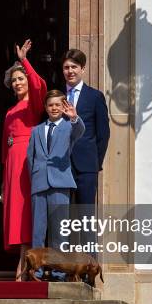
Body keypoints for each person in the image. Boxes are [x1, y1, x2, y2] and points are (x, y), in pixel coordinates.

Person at [1, 39, 47, 281]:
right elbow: (3, 145)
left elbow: (41, 85)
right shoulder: (10, 110)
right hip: (11, 164)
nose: (18, 83)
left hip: (27, 161)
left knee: (26, 213)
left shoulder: (34, 105)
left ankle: (25, 267)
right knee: (16, 213)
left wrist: (25, 61)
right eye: (15, 80)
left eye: (22, 79)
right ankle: (22, 263)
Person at [27, 90, 85, 279]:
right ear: (45, 107)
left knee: (59, 229)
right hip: (39, 183)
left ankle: (59, 271)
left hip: (60, 183)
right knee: (38, 230)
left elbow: (80, 132)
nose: (54, 108)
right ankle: (37, 269)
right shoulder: (36, 130)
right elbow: (31, 158)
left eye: (58, 105)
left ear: (63, 107)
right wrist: (35, 177)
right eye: (50, 105)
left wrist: (75, 118)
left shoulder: (69, 127)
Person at [61, 49, 110, 205]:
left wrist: (95, 162)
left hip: (87, 167)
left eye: (74, 67)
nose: (70, 71)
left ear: (83, 68)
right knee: (63, 220)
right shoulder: (57, 96)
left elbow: (103, 133)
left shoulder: (95, 96)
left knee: (85, 218)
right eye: (66, 67)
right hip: (61, 166)